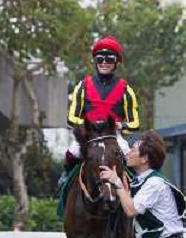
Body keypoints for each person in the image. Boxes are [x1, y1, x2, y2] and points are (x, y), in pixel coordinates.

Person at [58, 35, 140, 188]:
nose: (104, 63)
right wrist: (90, 125)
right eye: (100, 59)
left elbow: (135, 122)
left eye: (109, 59)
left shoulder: (126, 90)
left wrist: (120, 126)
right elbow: (71, 118)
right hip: (89, 134)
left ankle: (136, 189)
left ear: (117, 62)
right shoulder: (82, 86)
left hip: (113, 136)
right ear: (95, 61)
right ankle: (65, 181)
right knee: (72, 153)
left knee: (130, 157)